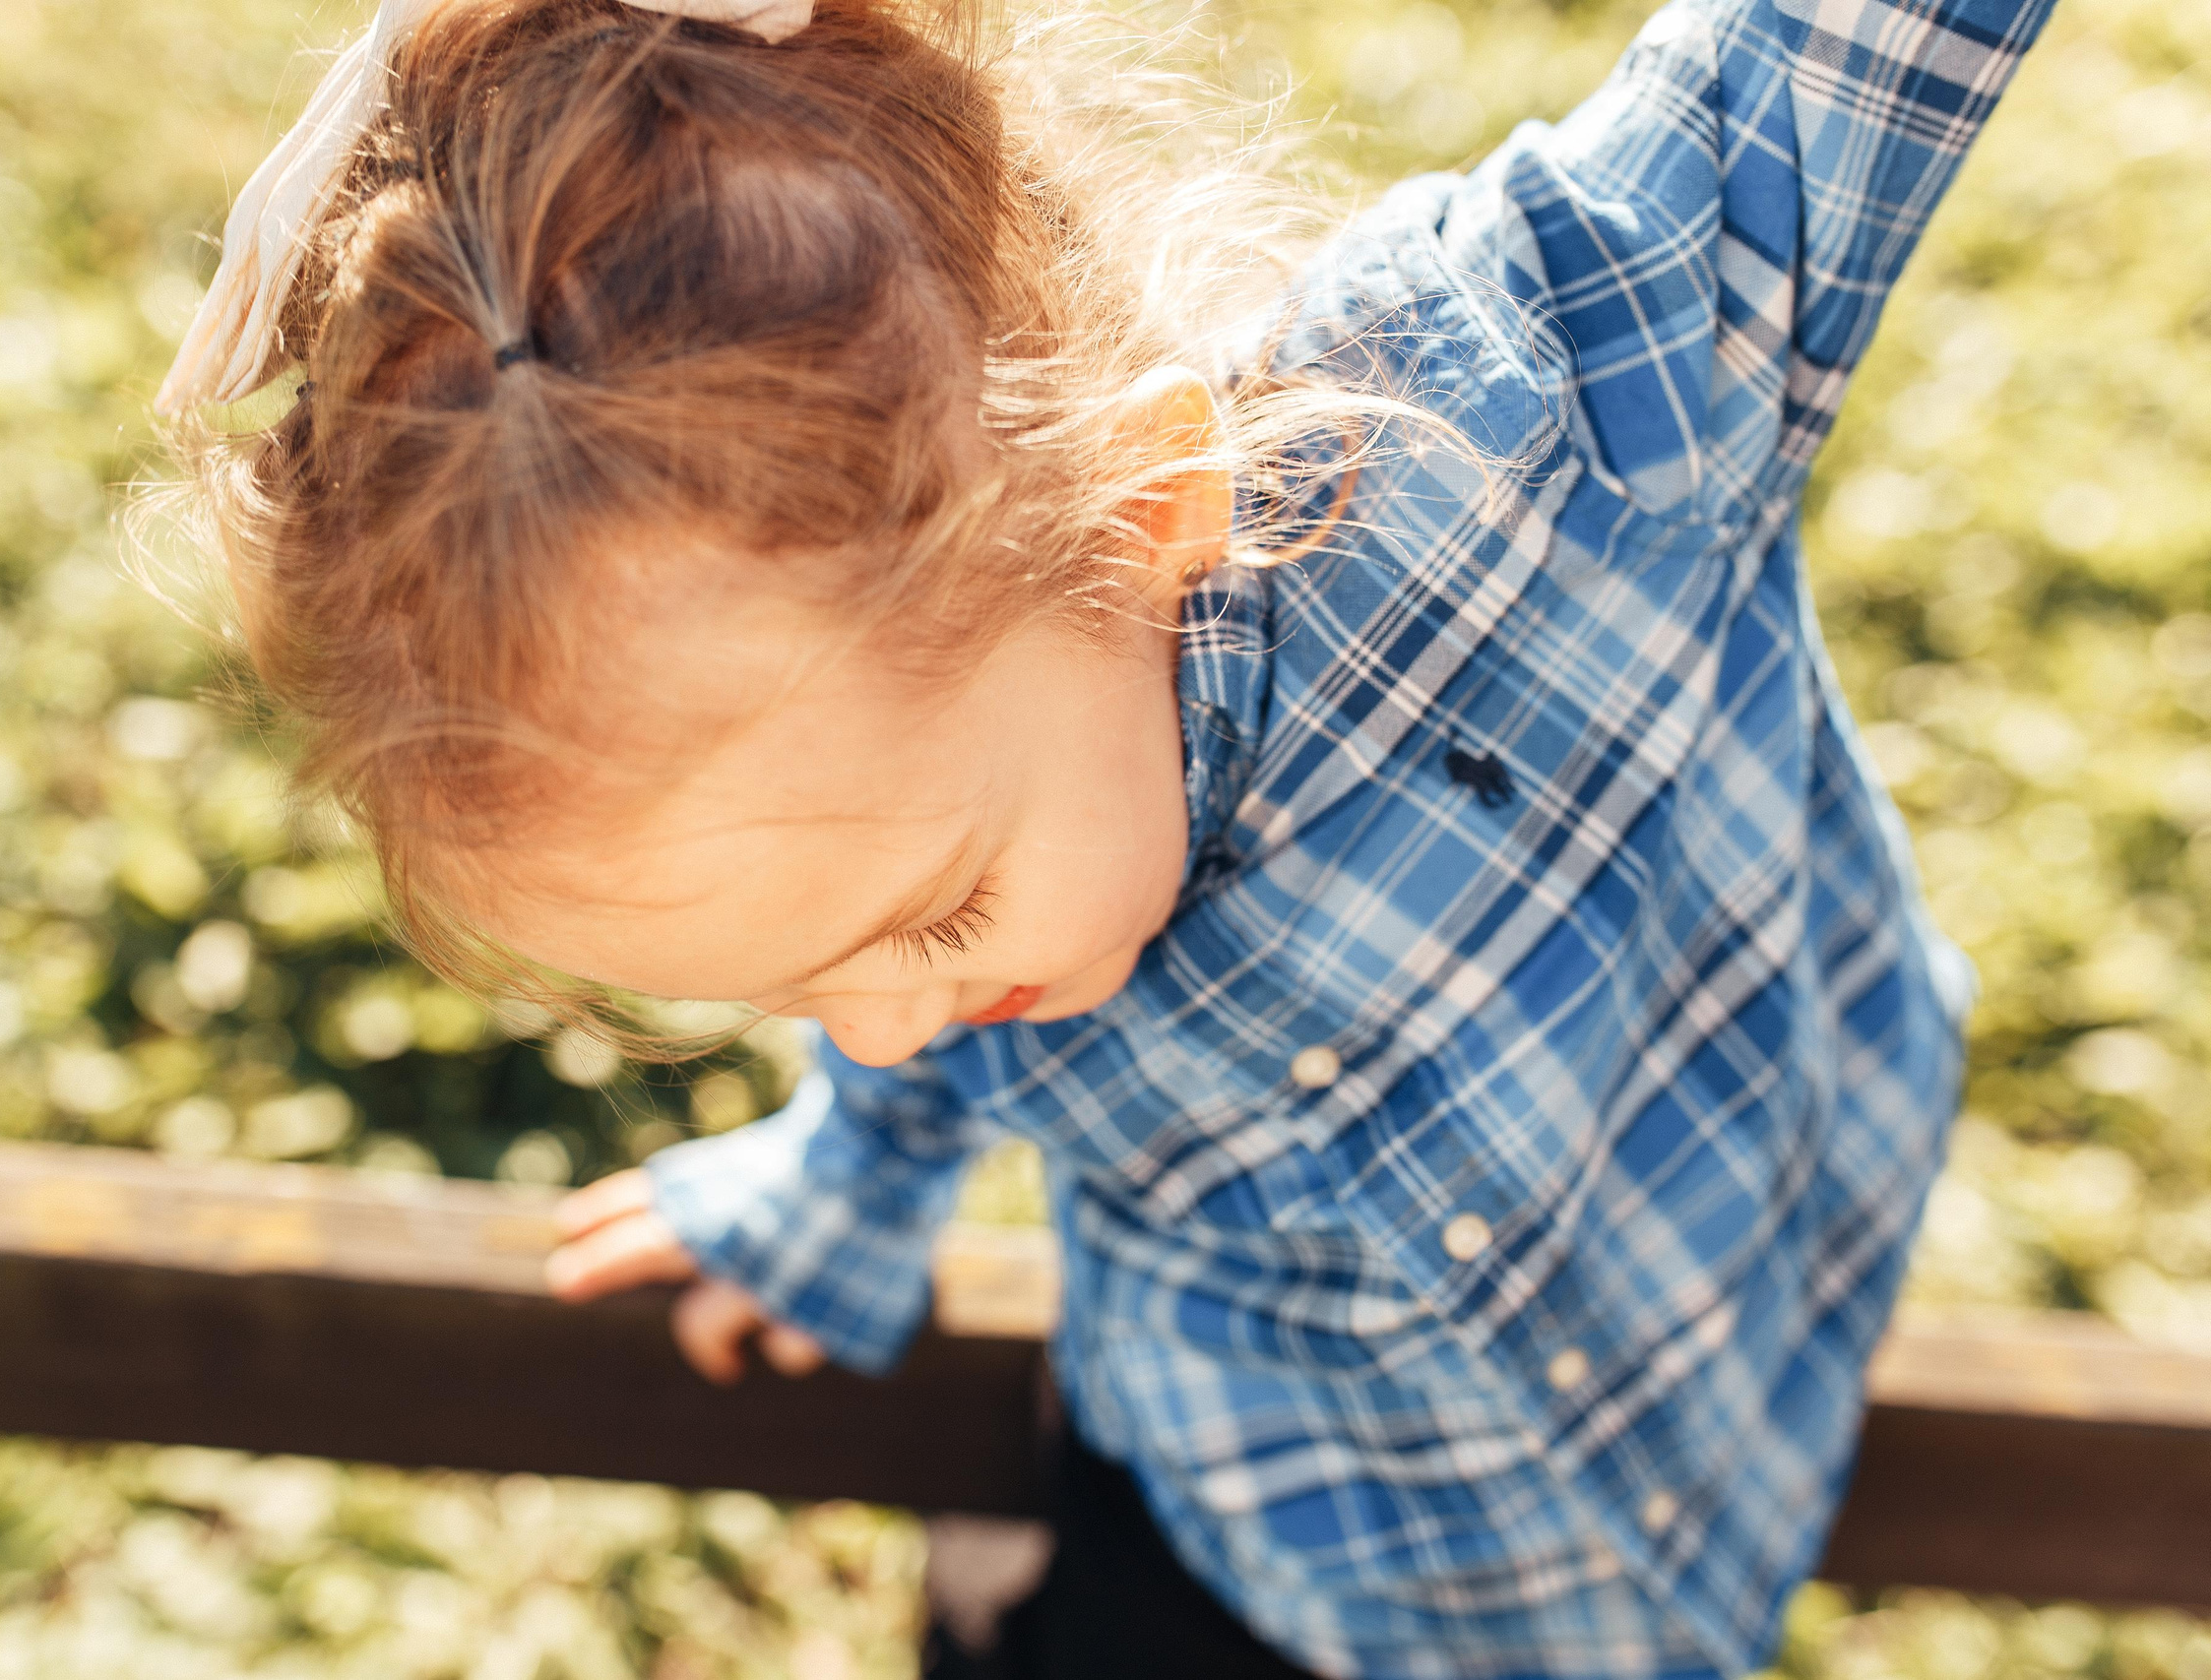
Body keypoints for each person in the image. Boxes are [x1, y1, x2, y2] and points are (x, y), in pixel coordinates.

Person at [155, 0, 2053, 1666]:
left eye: (928, 917)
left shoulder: (1558, 404)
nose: (889, 1028)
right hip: (1277, 1535)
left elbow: (1847, 51)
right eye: (796, 989)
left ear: (1149, 512)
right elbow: (908, 1048)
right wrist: (833, 1201)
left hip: (1748, 1325)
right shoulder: (947, 900)